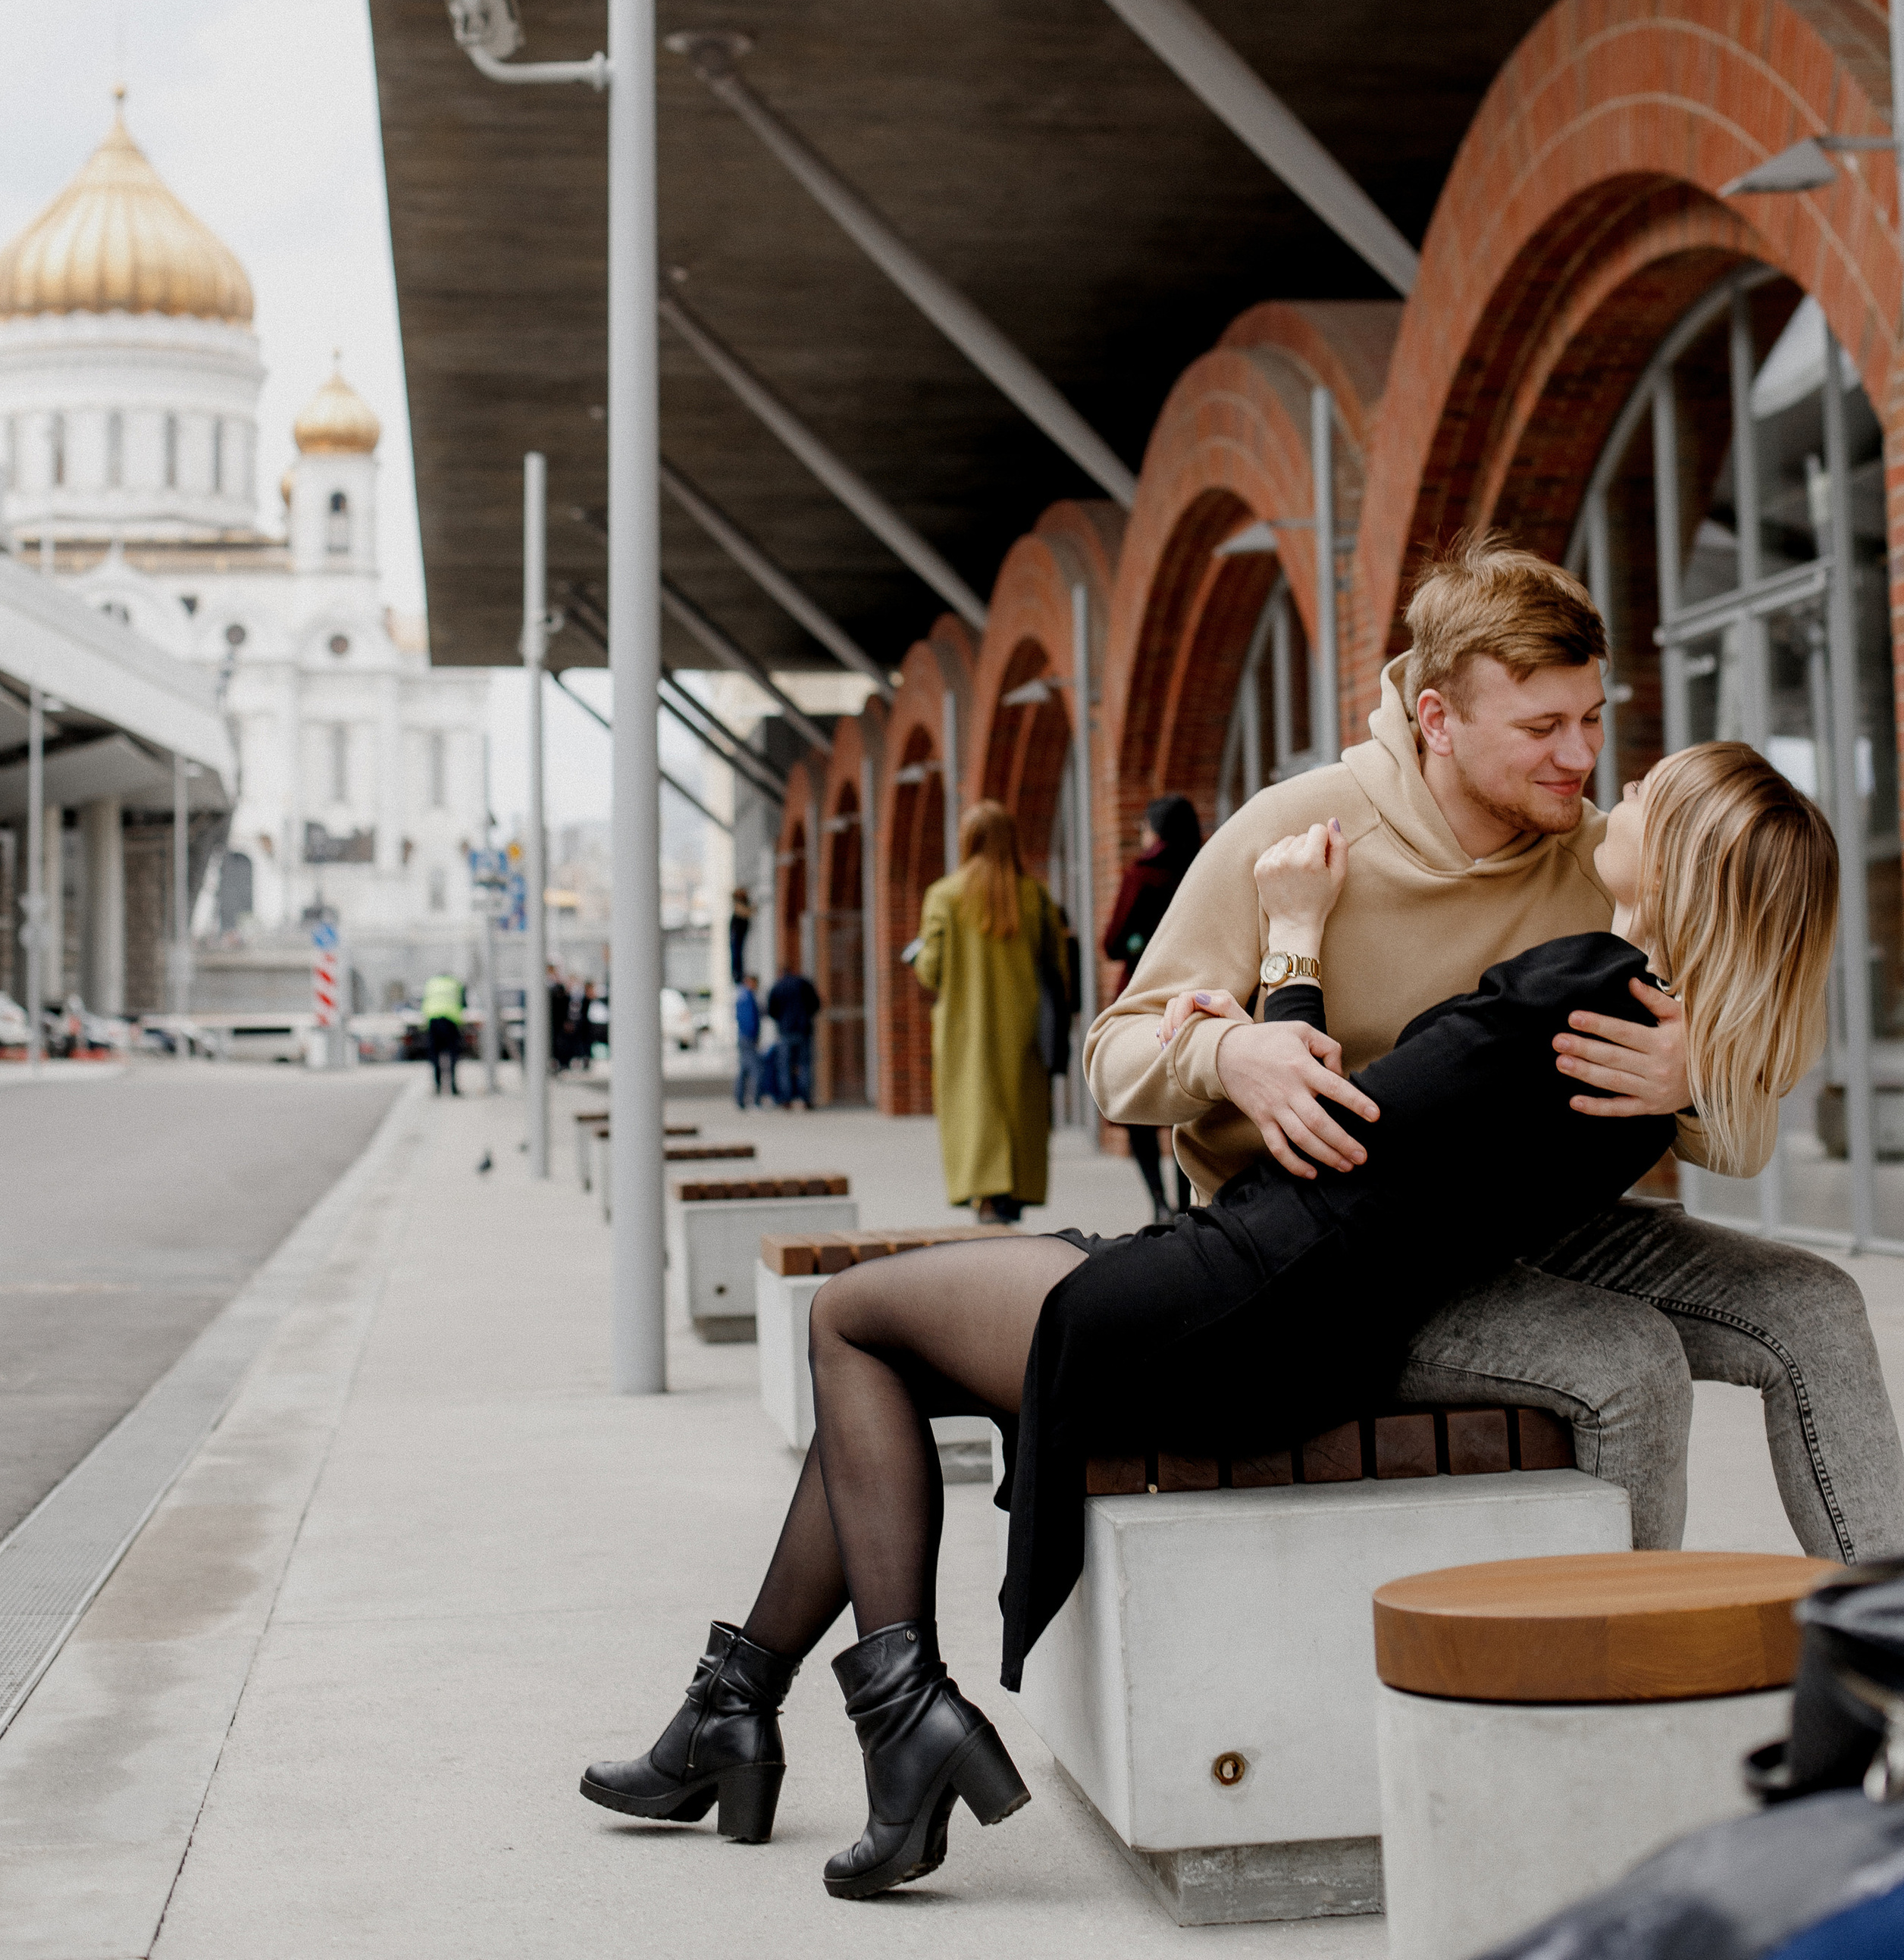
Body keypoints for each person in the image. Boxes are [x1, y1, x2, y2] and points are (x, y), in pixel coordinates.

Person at [581, 739, 1838, 1900]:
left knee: (853, 1324)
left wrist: (1288, 957)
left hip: (1237, 1304)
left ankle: (891, 1723)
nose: (1614, 785)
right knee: (889, 1356)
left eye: (1647, 794)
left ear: (1671, 860)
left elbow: (1330, 1138)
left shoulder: (1578, 986)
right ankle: (738, 1710)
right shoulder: (1654, 1052)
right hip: (1283, 1317)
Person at [1085, 533, 1904, 1562]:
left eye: (1594, 719)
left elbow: (1741, 1133)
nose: (1582, 758)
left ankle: (1884, 1646)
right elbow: (1115, 1058)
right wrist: (1230, 1056)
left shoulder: (1607, 852)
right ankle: (1614, 1680)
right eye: (1544, 727)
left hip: (1540, 1220)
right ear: (1438, 719)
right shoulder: (1297, 831)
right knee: (1627, 1360)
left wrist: (1694, 1079)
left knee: (1816, 1306)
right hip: (1341, 1248)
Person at [914, 800, 1068, 1226]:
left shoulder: (944, 895)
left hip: (966, 1032)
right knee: (1020, 1113)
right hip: (1025, 1030)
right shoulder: (1033, 895)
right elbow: (1058, 968)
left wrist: (920, 957)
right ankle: (1012, 1196)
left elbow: (931, 971)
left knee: (974, 1110)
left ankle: (984, 1194)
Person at [1101, 794, 1202, 1221]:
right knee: (1188, 1102)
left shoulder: (1142, 875)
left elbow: (1111, 942)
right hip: (1197, 995)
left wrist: (1136, 944)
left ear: (1156, 830)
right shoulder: (1204, 868)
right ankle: (1183, 1205)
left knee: (1139, 1097)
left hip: (1145, 999)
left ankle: (1159, 1203)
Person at [766, 966, 821, 1109]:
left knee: (785, 1067)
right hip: (803, 1031)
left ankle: (787, 1099)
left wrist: (782, 1020)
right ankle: (806, 1099)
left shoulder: (778, 986)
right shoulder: (804, 984)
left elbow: (771, 1009)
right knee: (805, 1065)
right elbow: (816, 1004)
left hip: (786, 1032)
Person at [419, 969, 465, 1097]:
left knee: (435, 1055)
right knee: (453, 1054)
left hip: (433, 1021)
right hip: (451, 1021)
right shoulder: (455, 983)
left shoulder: (431, 983)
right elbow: (463, 1003)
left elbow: (425, 1003)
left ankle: (438, 1086)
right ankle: (454, 1087)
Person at [734, 971, 763, 1110]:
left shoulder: (742, 995)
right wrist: (754, 1036)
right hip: (748, 1037)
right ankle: (755, 1100)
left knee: (744, 1069)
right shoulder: (747, 997)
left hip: (743, 1037)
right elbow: (749, 1020)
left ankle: (740, 1099)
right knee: (755, 1069)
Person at [730, 887, 753, 987]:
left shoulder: (743, 903)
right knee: (737, 954)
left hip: (740, 931)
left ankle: (738, 975)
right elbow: (746, 912)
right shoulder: (738, 905)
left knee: (738, 954)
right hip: (737, 931)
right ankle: (737, 976)